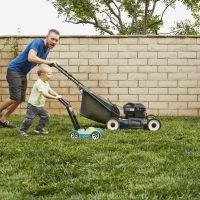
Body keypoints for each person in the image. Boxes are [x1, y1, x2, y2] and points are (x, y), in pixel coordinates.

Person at [0, 29, 60, 128]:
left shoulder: (47, 50)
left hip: (23, 73)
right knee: (14, 97)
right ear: (47, 37)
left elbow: (41, 64)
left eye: (56, 40)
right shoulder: (37, 42)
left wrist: (49, 71)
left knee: (20, 99)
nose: (54, 42)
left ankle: (3, 119)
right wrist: (48, 62)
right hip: (14, 70)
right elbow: (31, 57)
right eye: (52, 39)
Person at [19, 64, 62, 137]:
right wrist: (55, 98)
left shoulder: (46, 83)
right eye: (49, 74)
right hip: (33, 105)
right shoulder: (39, 83)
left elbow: (50, 91)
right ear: (42, 74)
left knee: (46, 116)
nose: (51, 76)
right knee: (29, 119)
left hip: (40, 105)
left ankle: (39, 128)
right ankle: (22, 130)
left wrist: (57, 95)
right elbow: (44, 94)